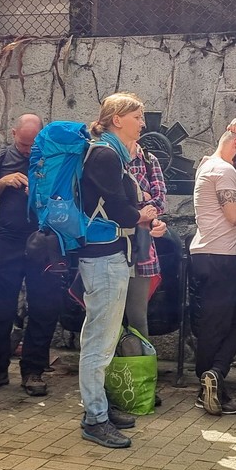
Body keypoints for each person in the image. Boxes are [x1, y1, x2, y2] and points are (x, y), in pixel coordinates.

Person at [78, 92, 167, 449]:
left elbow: (120, 201)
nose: (143, 123)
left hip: (111, 253)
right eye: (137, 116)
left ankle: (99, 407)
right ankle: (94, 418)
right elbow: (117, 207)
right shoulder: (104, 154)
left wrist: (143, 217)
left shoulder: (111, 152)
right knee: (99, 341)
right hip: (103, 256)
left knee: (105, 337)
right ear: (117, 118)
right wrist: (141, 217)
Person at [0, 114, 63, 398]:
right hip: (8, 240)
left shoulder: (52, 158)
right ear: (13, 134)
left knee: (44, 306)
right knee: (0, 306)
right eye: (23, 144)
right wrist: (3, 182)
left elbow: (66, 197)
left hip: (43, 238)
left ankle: (33, 370)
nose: (27, 150)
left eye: (32, 144)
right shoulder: (0, 157)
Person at [190, 120, 236, 416]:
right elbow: (233, 215)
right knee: (218, 327)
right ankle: (208, 385)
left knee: (234, 321)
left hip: (208, 255)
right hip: (221, 258)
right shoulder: (224, 170)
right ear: (234, 146)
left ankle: (215, 375)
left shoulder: (208, 166)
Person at [125, 142, 167, 340]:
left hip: (141, 247)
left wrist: (142, 210)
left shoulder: (150, 161)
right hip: (110, 243)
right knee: (106, 316)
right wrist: (142, 204)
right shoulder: (107, 156)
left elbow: (159, 202)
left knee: (138, 316)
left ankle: (139, 368)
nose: (141, 124)